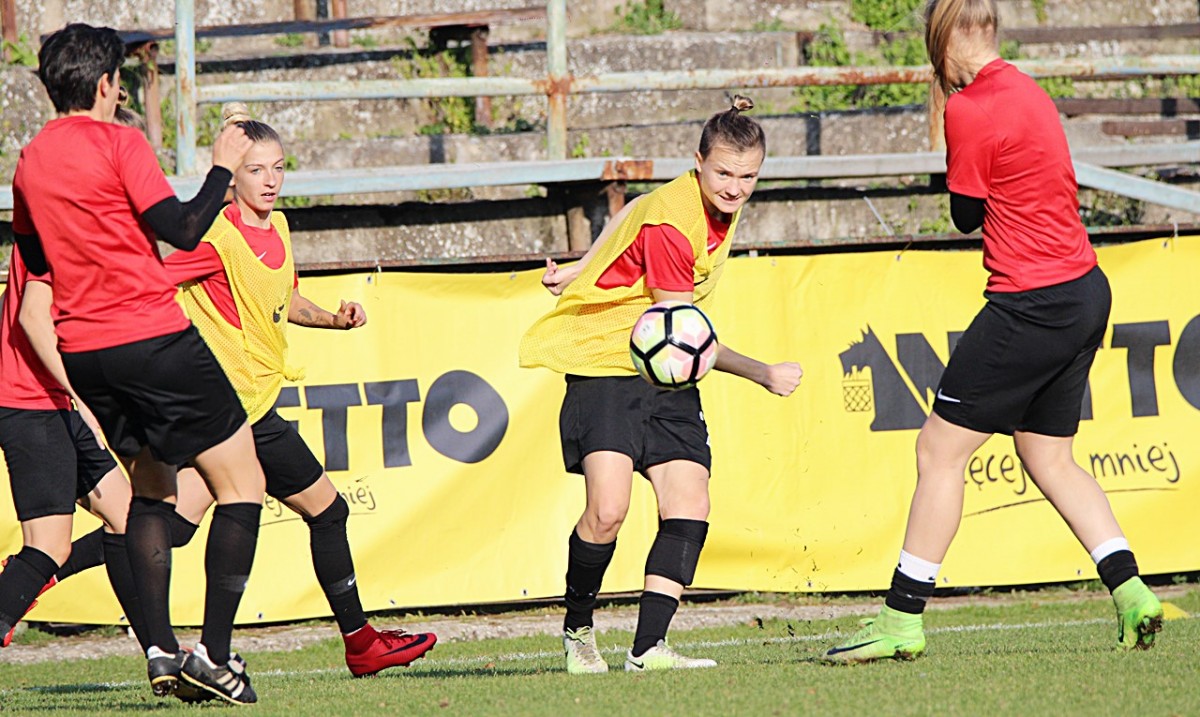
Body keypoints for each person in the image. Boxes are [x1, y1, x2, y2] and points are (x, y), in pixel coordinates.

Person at [822, 0, 1163, 664]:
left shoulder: (969, 106)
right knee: (1048, 456)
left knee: (938, 451)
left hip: (1030, 302)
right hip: (1085, 291)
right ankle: (1132, 593)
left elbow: (964, 214)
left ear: (941, 36)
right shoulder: (1029, 89)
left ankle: (900, 617)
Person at [12, 24, 264, 703]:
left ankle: (159, 649)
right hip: (152, 337)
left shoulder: (30, 160)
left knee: (151, 489)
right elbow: (182, 229)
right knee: (244, 483)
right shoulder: (119, 142)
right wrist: (221, 167)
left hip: (85, 351)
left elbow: (35, 258)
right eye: (119, 80)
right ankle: (213, 655)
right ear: (105, 84)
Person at [520, 96, 803, 674]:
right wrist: (763, 373)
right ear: (697, 163)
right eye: (724, 174)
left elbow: (630, 210)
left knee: (689, 503)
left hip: (663, 373)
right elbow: (681, 336)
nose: (735, 188)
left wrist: (581, 265)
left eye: (748, 176)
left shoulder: (705, 201)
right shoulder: (674, 226)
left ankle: (648, 649)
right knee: (607, 511)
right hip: (607, 364)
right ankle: (578, 631)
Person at [160, 103, 438, 678]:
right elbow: (150, 282)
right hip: (240, 409)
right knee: (328, 510)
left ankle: (40, 569)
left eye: (279, 168)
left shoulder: (280, 227)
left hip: (253, 402)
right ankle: (357, 643)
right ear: (231, 177)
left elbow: (284, 298)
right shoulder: (215, 238)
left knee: (174, 526)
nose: (270, 181)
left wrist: (332, 319)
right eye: (256, 170)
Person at [0, 243, 143, 651]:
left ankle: (159, 651)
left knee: (129, 518)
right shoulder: (52, 228)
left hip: (57, 402)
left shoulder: (74, 229)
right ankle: (20, 583)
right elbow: (31, 316)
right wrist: (84, 395)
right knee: (48, 548)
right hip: (32, 404)